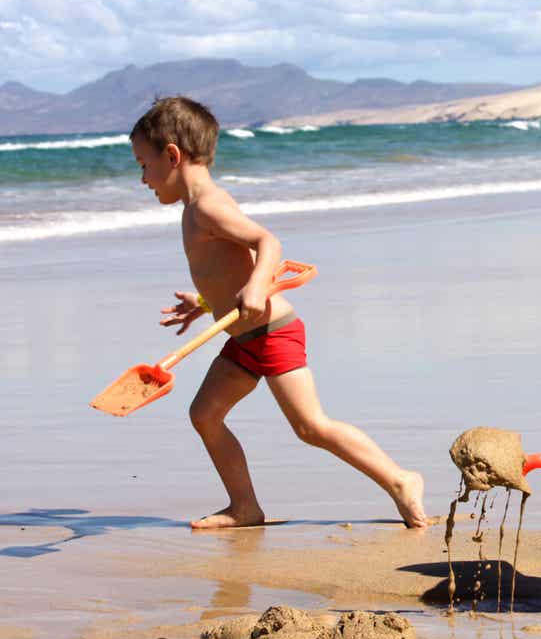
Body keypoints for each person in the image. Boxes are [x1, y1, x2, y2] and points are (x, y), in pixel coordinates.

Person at [128, 97, 429, 530]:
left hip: (272, 332)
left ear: (172, 155)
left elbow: (268, 243)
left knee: (310, 427)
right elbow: (229, 274)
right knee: (204, 414)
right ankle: (244, 507)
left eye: (143, 164)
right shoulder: (195, 210)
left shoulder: (209, 207)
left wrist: (254, 285)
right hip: (243, 338)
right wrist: (205, 303)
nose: (143, 178)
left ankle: (401, 480)